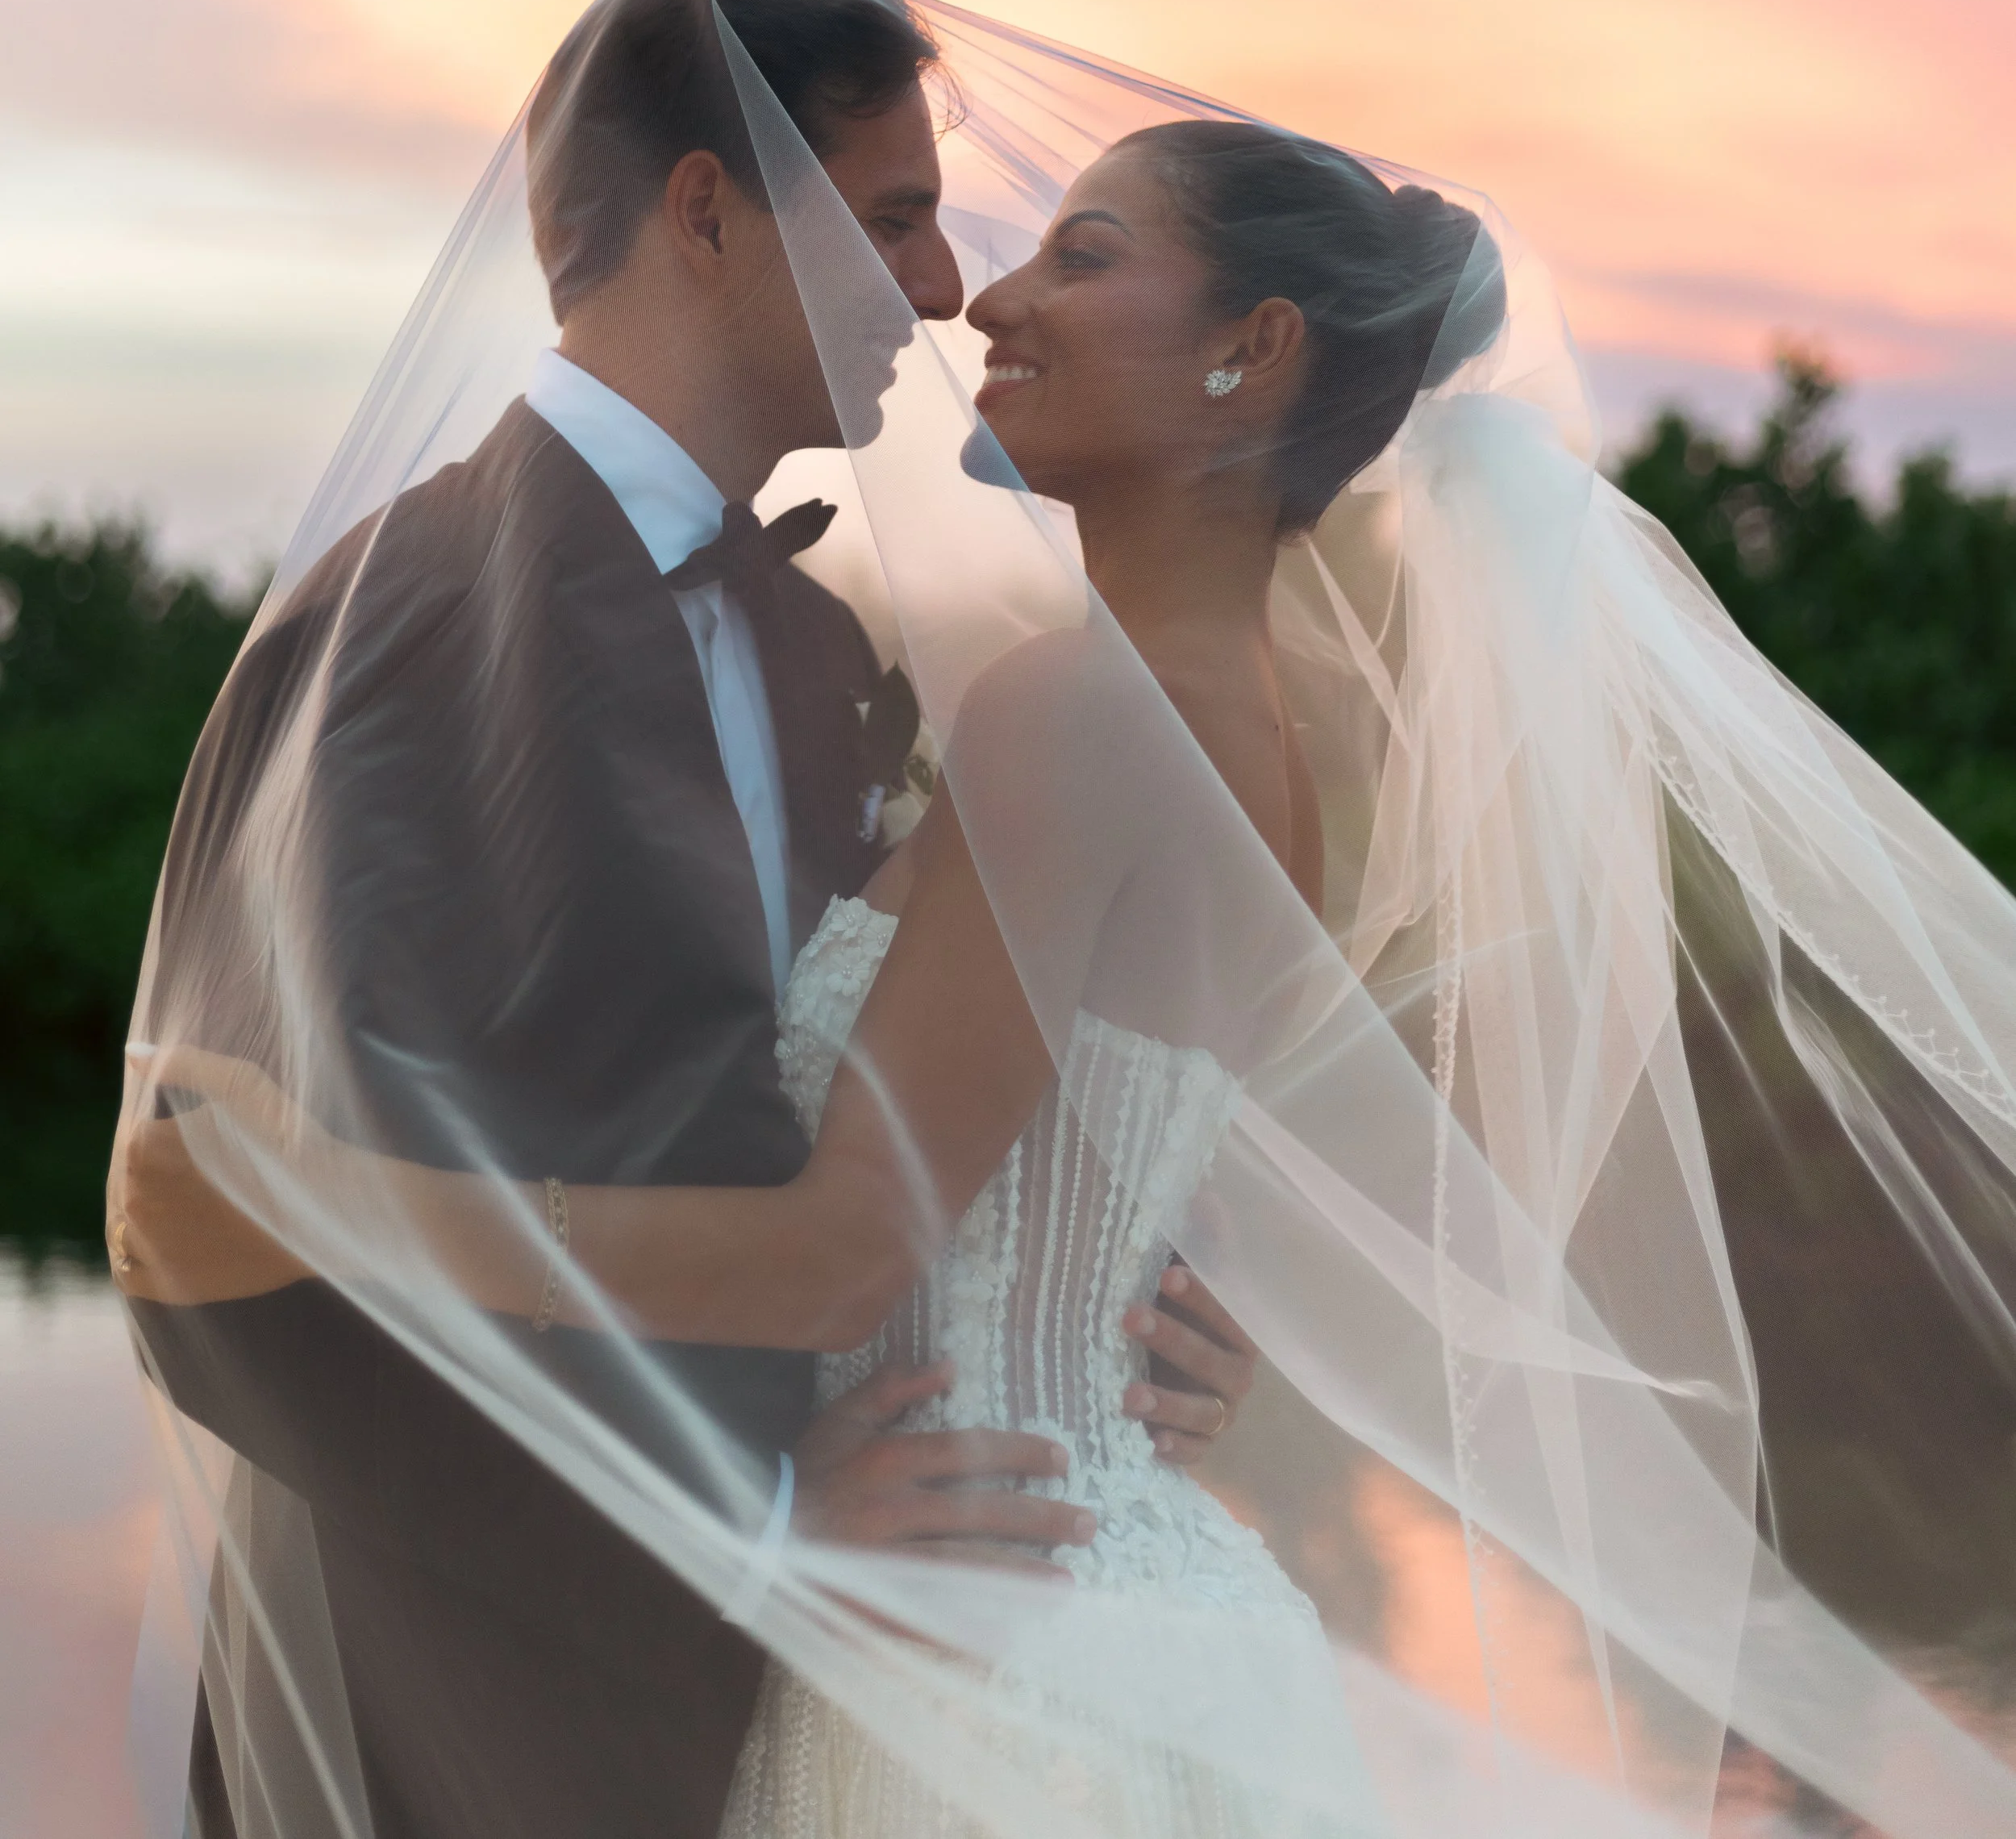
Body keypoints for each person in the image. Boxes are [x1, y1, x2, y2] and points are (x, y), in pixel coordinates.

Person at [123, 116, 1494, 1839]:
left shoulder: (1070, 716)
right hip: (1106, 1597)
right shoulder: (1249, 742)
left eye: (1080, 255)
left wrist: (324, 1203)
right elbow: (1097, 1163)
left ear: (1255, 346)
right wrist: (1145, 1304)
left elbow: (844, 1252)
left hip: (986, 1659)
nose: (986, 297)